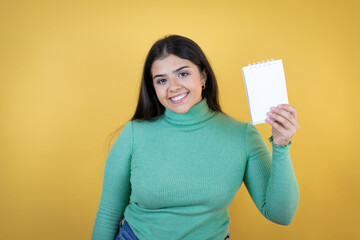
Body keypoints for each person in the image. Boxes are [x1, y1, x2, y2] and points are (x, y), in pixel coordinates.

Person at [91, 34, 300, 240]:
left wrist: (281, 146)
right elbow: (108, 215)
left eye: (182, 74)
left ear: (203, 76)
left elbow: (281, 215)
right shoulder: (134, 134)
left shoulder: (242, 136)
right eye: (162, 80)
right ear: (153, 88)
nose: (173, 87)